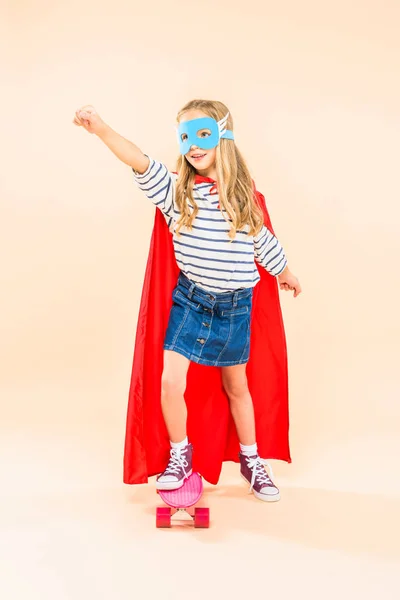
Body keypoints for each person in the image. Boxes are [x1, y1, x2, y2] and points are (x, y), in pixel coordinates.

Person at [73, 99, 302, 502]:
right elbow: (139, 161)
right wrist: (102, 129)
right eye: (185, 137)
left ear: (222, 137)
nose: (193, 146)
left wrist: (284, 272)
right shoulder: (177, 193)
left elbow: (263, 242)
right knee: (169, 382)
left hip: (234, 307)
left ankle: (251, 459)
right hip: (191, 303)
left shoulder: (242, 199)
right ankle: (181, 453)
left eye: (202, 135)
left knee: (237, 387)